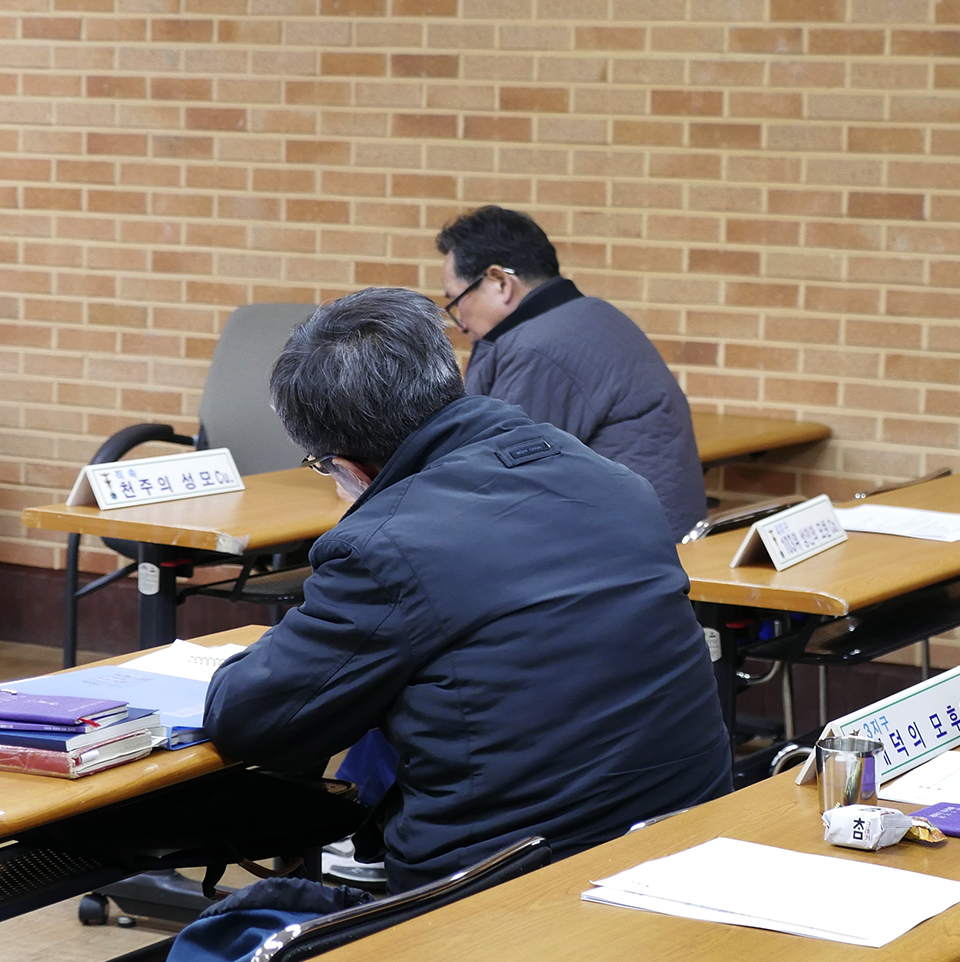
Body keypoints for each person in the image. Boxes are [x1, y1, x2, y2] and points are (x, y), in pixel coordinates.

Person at [205, 287, 733, 893]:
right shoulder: (613, 481)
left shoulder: (386, 545)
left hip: (506, 882)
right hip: (682, 846)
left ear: (348, 466)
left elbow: (249, 718)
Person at [436, 205, 707, 539]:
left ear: (500, 282)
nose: (459, 323)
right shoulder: (591, 315)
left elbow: (494, 483)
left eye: (456, 302)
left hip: (625, 551)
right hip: (650, 539)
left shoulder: (538, 348)